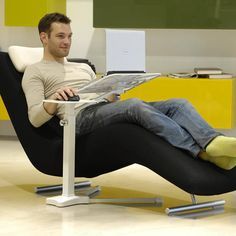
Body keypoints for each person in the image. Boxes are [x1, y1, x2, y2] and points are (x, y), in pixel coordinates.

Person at [22, 12, 236, 170]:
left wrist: (112, 91)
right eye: (60, 36)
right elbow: (34, 118)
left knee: (177, 104)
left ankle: (212, 141)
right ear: (44, 37)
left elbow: (102, 99)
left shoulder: (83, 67)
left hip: (102, 108)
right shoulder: (35, 71)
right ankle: (200, 152)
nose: (67, 41)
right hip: (76, 118)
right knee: (134, 106)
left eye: (69, 36)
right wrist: (53, 100)